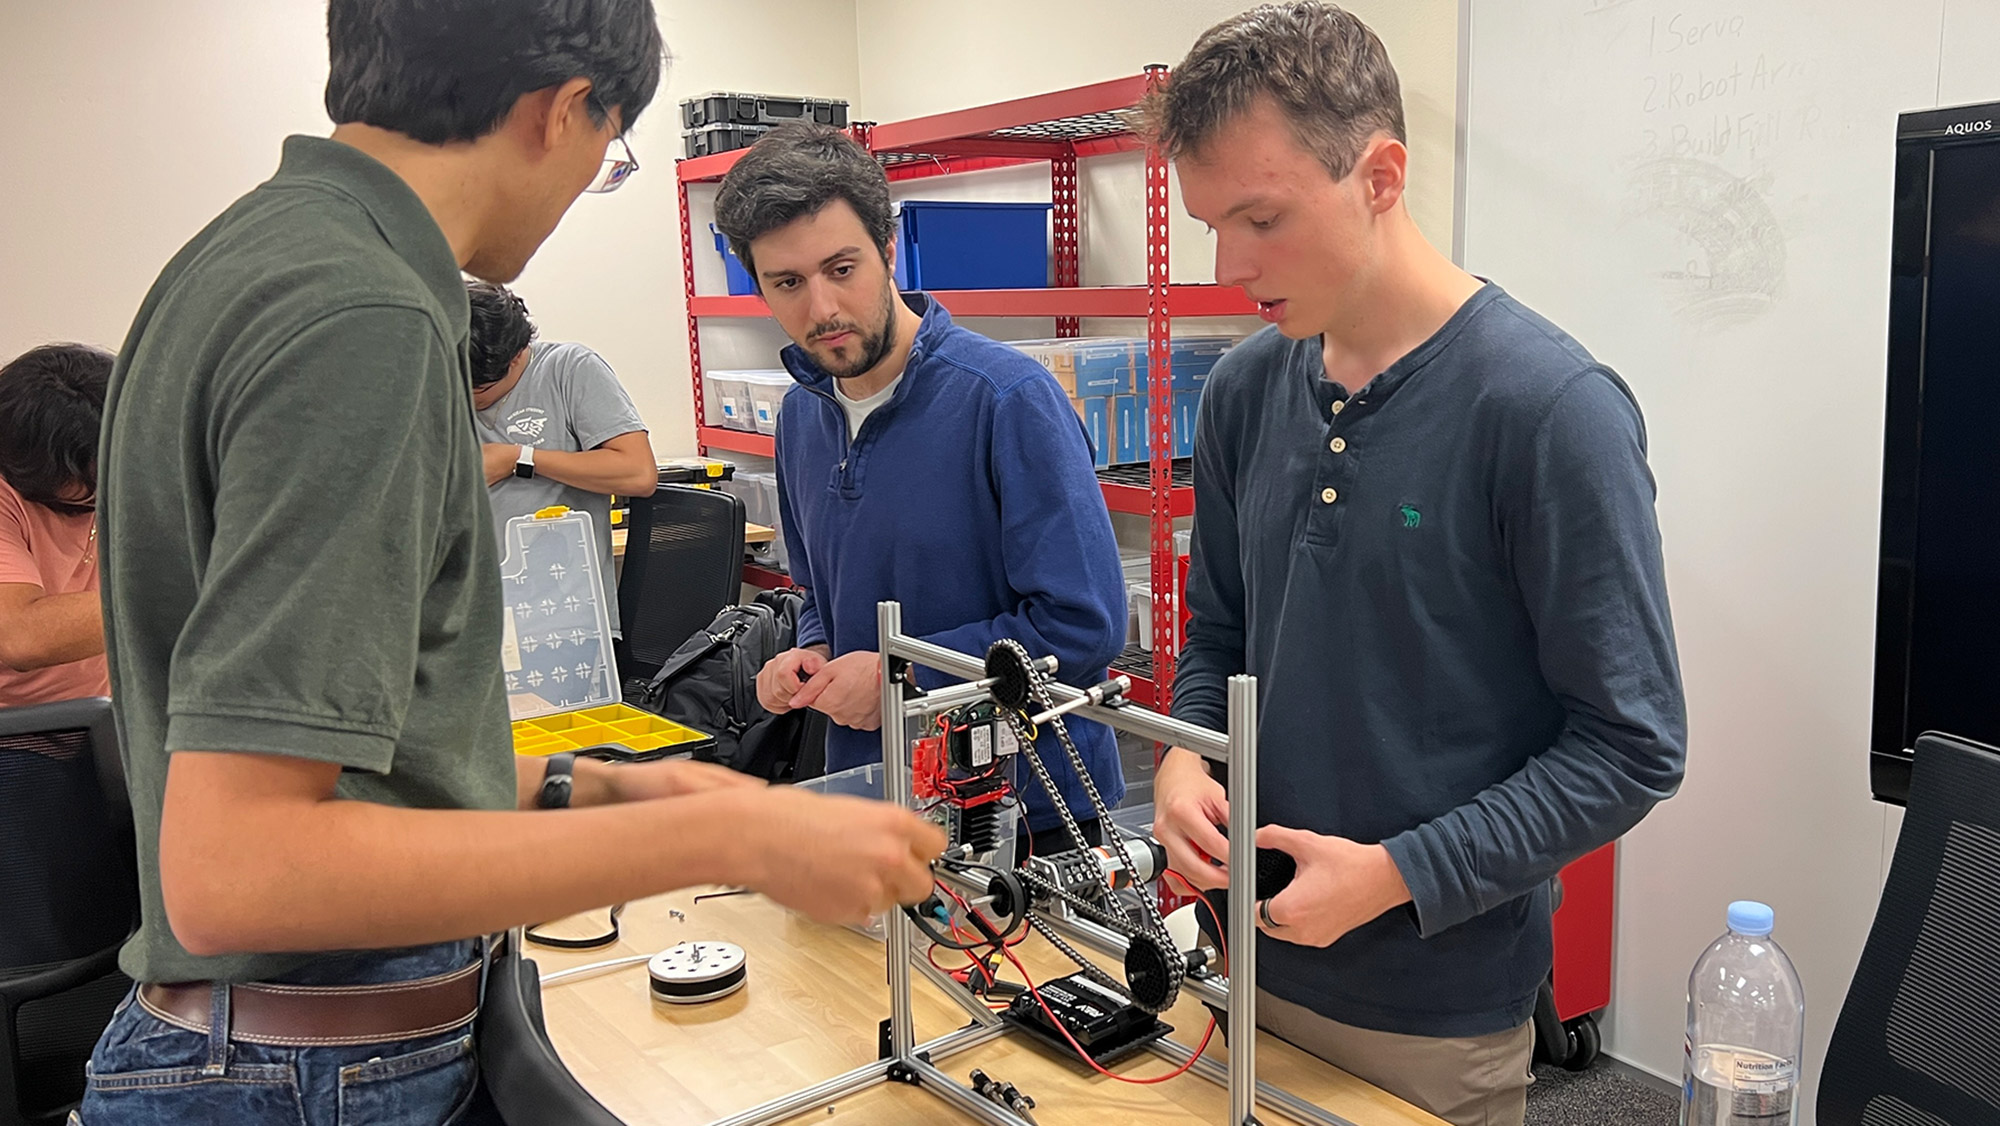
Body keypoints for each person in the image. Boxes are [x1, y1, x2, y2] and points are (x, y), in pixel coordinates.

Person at [87, 3, 943, 1122]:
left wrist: (634, 788)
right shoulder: (367, 315)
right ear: (565, 109)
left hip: (270, 1051)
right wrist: (729, 833)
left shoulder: (253, 256)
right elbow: (235, 868)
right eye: (609, 149)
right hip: (307, 1070)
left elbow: (363, 755)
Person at [1140, 5, 1688, 1124]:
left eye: (1259, 218)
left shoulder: (1547, 411)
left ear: (1378, 175)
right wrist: (1184, 765)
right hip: (1239, 964)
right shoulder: (1245, 391)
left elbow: (1631, 744)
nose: (1226, 266)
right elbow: (1219, 634)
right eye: (1209, 225)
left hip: (1432, 1018)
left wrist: (1398, 874)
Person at [716, 124, 1129, 854]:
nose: (821, 309)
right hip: (876, 797)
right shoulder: (801, 419)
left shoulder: (1006, 400)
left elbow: (1084, 629)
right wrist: (810, 656)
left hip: (1025, 820)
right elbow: (821, 598)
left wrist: (903, 674)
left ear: (887, 248)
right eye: (788, 283)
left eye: (841, 269)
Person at [466, 280, 655, 634]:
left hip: (561, 623)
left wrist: (518, 458)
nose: (462, 394)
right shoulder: (441, 380)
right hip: (470, 619)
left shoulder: (568, 369)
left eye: (477, 390)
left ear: (517, 355)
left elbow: (638, 473)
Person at [0, 343, 114, 709]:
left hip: (111, 719)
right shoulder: (9, 496)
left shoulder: (132, 476)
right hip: (20, 736)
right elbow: (21, 637)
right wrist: (169, 599)